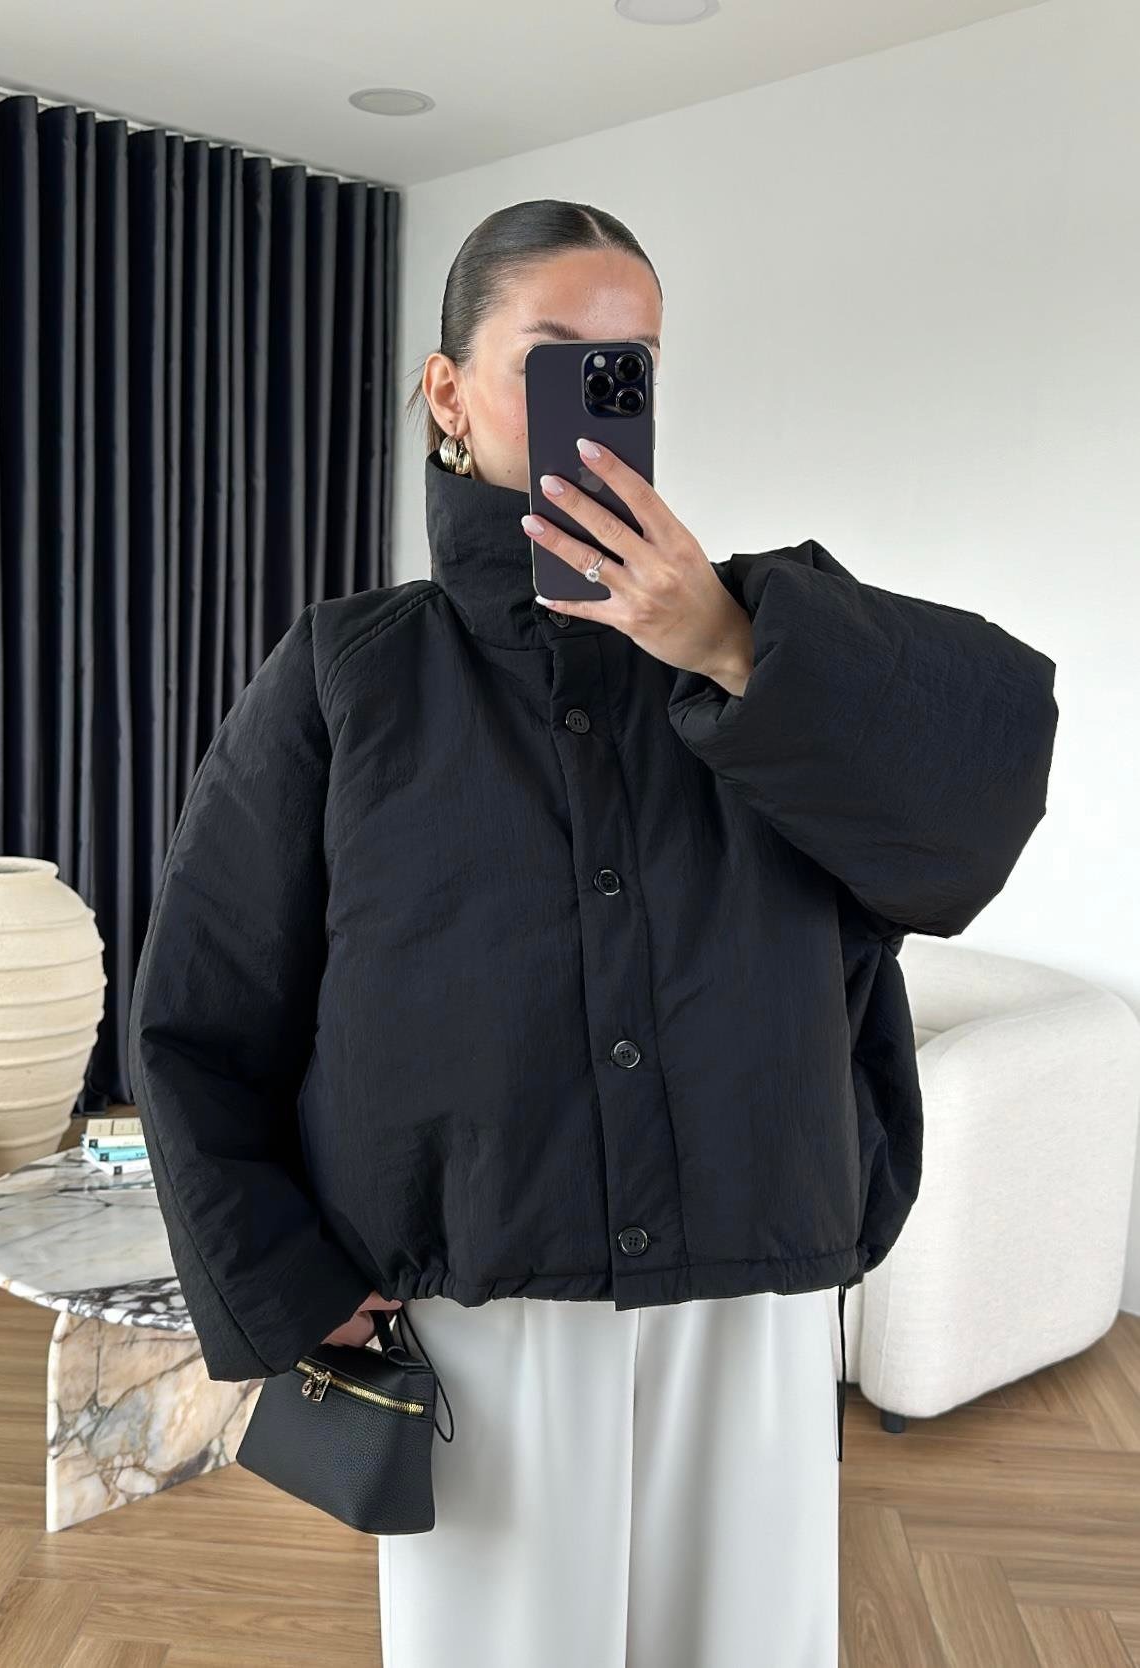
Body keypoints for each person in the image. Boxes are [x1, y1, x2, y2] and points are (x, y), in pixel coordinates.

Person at [127, 199, 1059, 1668]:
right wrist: (286, 1276)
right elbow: (203, 1001)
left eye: (633, 368)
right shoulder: (352, 674)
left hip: (748, 1289)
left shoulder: (770, 638)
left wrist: (729, 643)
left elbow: (980, 800)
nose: (602, 399)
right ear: (448, 392)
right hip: (480, 1300)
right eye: (558, 358)